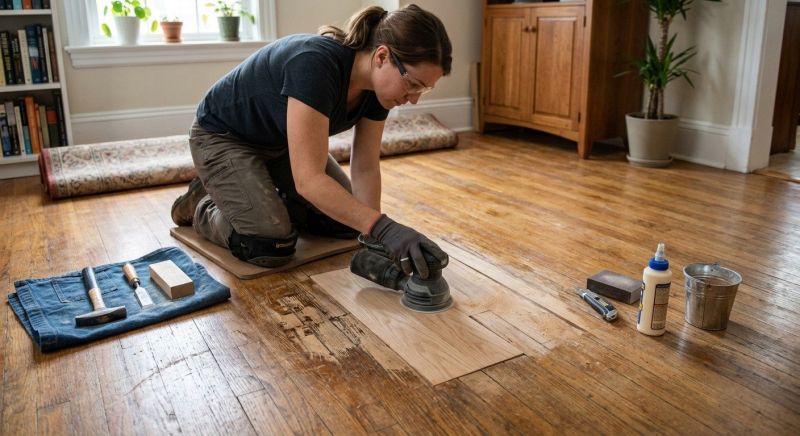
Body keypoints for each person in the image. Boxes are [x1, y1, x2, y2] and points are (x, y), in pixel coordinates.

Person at [171, 4, 452, 278]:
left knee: (350, 223)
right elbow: (310, 179)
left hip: (281, 146)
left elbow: (365, 165)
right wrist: (384, 227)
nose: (414, 98)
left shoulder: (380, 91)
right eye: (413, 83)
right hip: (223, 137)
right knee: (269, 244)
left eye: (424, 89)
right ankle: (202, 202)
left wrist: (374, 238)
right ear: (381, 57)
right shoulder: (315, 64)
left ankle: (257, 193)